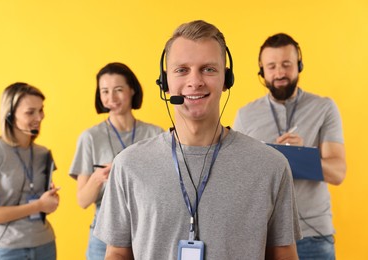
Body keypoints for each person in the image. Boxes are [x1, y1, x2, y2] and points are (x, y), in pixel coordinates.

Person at [94, 20, 301, 260]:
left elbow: (284, 255)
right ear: (165, 82)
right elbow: (118, 253)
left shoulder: (271, 166)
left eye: (208, 69)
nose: (195, 81)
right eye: (181, 70)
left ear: (227, 79)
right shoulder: (128, 165)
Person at [233, 33, 346, 259]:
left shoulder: (324, 107)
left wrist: (299, 156)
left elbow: (338, 173)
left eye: (286, 64)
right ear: (262, 72)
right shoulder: (245, 115)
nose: (279, 73)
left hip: (314, 236)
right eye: (272, 66)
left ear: (299, 65)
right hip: (264, 237)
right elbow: (237, 179)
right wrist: (275, 158)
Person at [69, 62, 163, 260]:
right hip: (103, 238)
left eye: (118, 90)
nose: (111, 98)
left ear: (132, 90)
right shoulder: (90, 138)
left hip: (148, 233)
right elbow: (82, 201)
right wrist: (99, 177)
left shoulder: (156, 134)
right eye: (104, 91)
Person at [0, 82, 60, 260]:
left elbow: (44, 202)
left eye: (41, 110)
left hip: (45, 244)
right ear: (9, 115)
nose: (39, 117)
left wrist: (51, 201)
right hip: (8, 249)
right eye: (30, 112)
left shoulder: (43, 153)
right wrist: (38, 205)